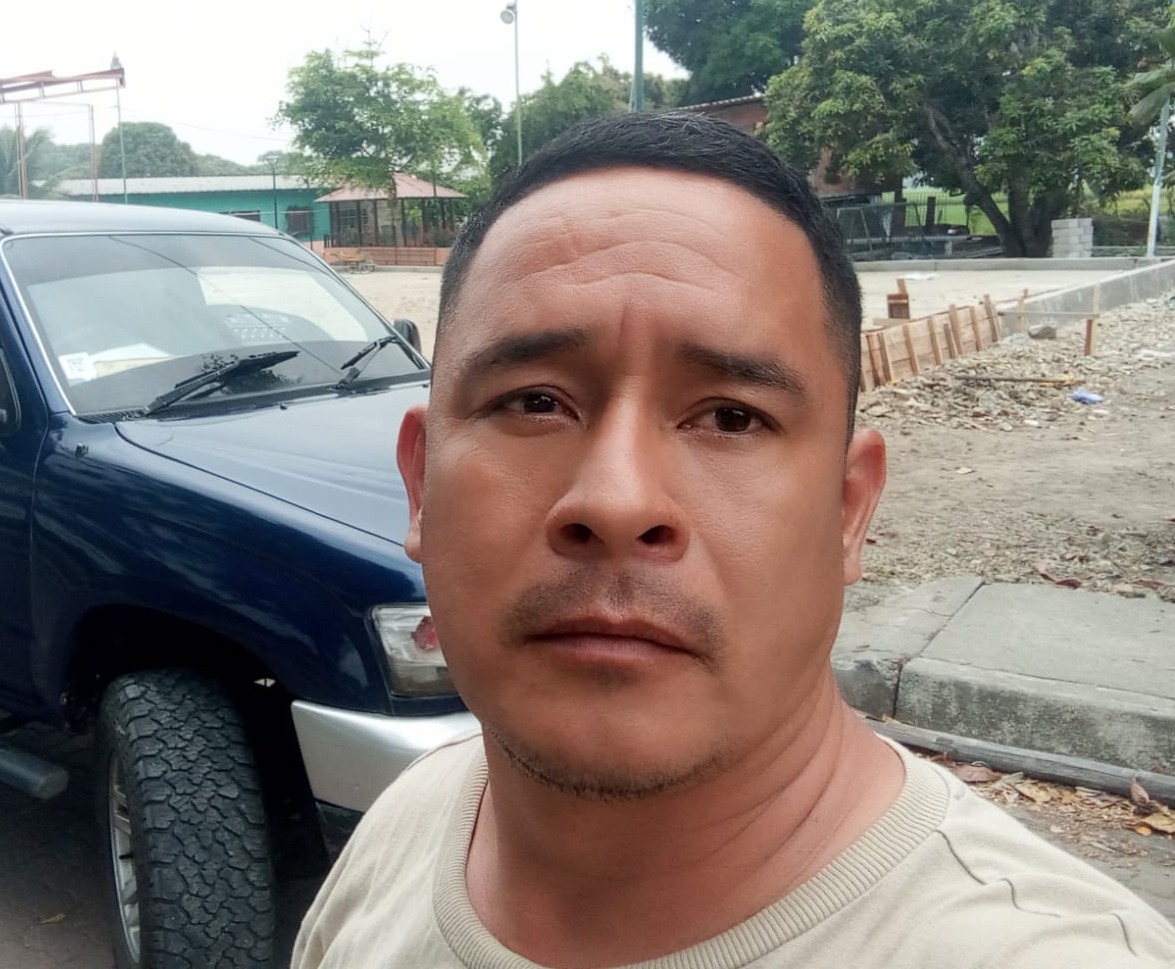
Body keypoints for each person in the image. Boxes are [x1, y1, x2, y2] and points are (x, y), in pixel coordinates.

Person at [292, 112, 1175, 968]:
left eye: (731, 417)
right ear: (421, 486)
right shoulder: (406, 829)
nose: (616, 500)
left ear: (848, 511)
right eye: (535, 402)